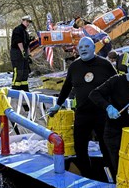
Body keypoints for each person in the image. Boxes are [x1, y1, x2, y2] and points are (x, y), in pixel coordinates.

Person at [47, 37, 116, 178]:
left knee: (106, 147)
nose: (83, 49)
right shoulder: (74, 67)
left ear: (93, 48)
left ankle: (113, 177)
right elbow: (66, 88)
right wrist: (58, 105)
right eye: (80, 47)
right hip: (82, 113)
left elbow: (118, 85)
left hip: (102, 114)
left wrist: (117, 106)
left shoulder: (105, 65)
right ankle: (87, 175)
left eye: (86, 46)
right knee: (80, 147)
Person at [10, 15, 32, 91]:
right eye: (26, 21)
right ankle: (15, 91)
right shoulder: (18, 29)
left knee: (25, 73)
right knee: (18, 72)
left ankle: (25, 91)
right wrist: (23, 52)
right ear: (22, 21)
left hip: (24, 54)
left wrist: (28, 55)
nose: (28, 23)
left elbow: (27, 45)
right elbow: (19, 42)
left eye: (29, 22)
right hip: (17, 54)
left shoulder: (26, 32)